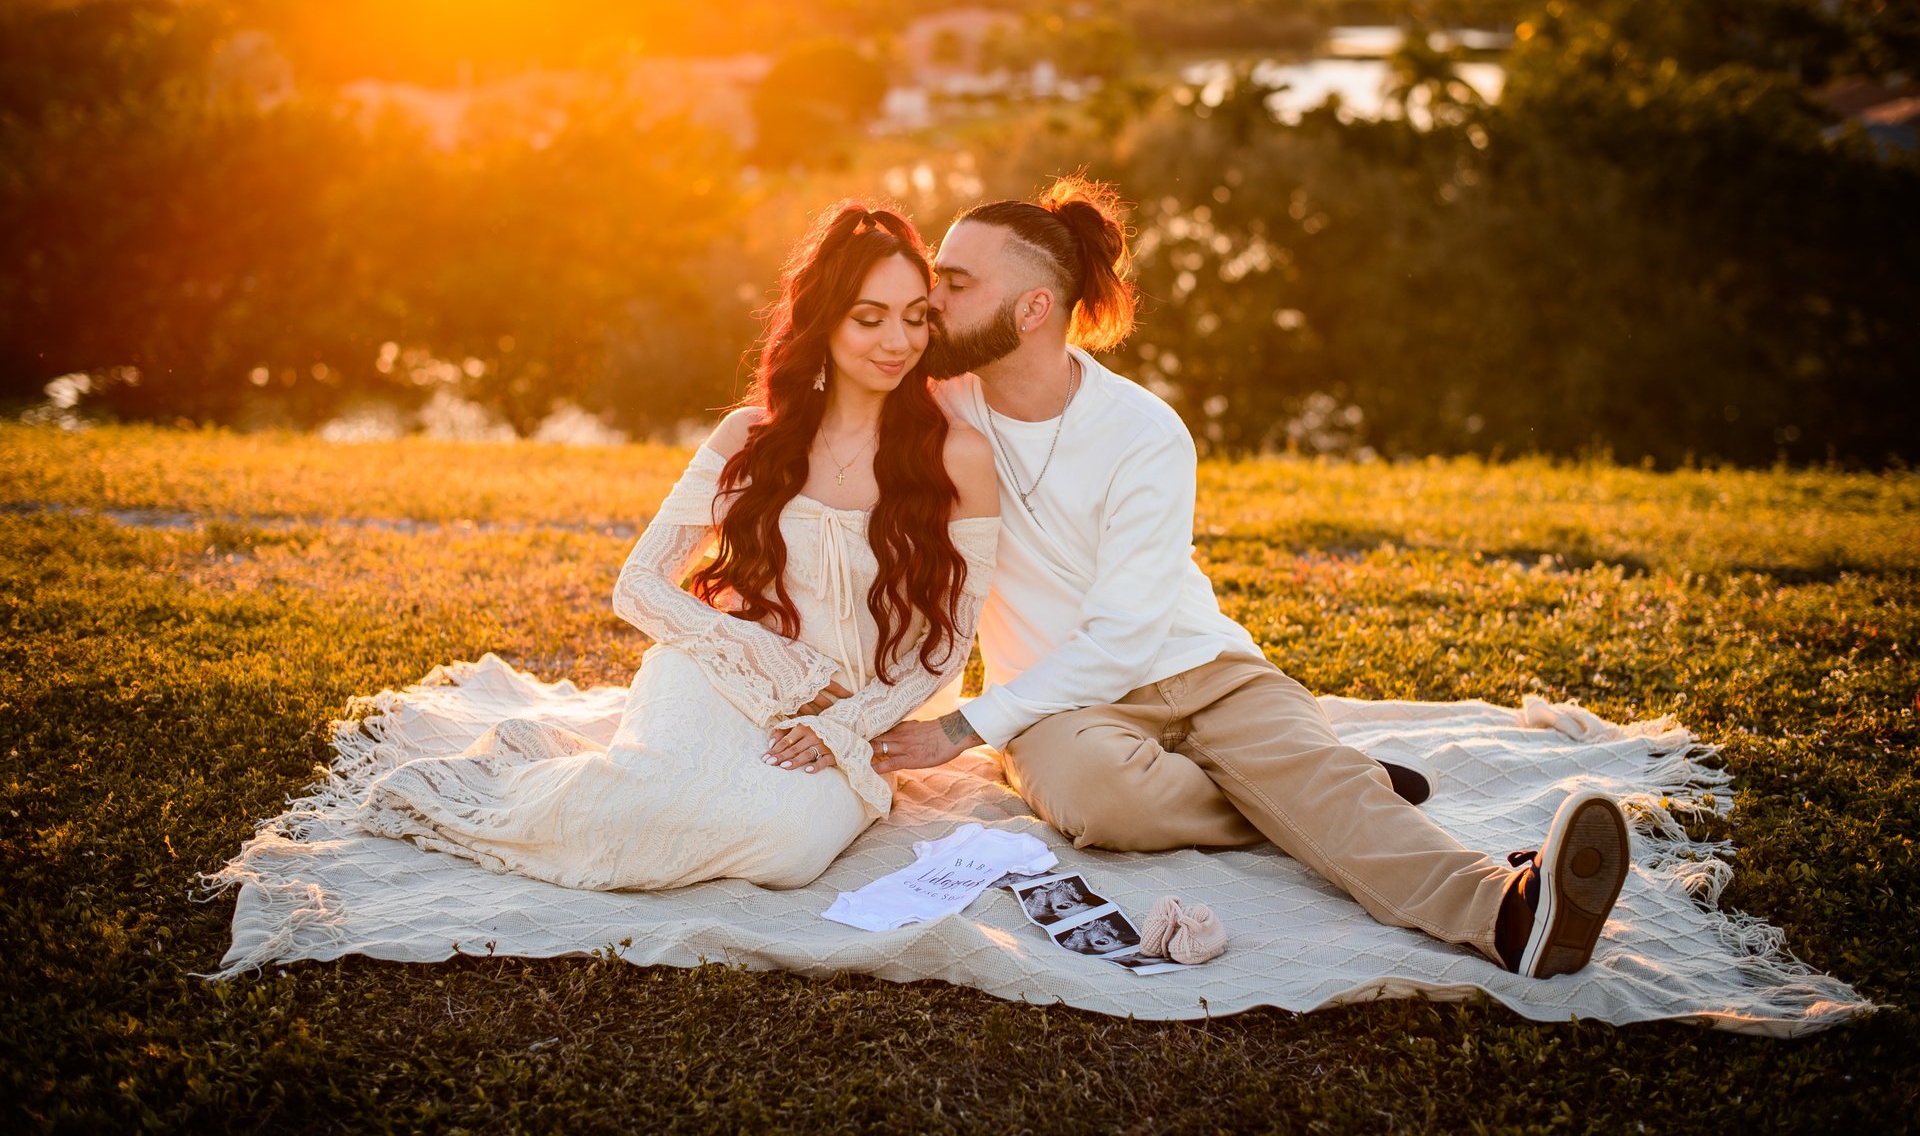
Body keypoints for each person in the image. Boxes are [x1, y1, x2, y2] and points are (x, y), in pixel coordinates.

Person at [868, 177, 1630, 978]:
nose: (931, 298)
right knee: (1100, 799)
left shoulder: (1144, 432)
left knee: (1310, 776)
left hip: (1204, 669)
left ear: (1031, 309)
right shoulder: (933, 401)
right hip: (1062, 707)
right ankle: (1324, 796)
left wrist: (957, 731)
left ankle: (1511, 913)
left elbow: (1127, 635)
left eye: (954, 283)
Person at [357, 201, 999, 891]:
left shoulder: (956, 454)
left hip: (856, 711)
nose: (897, 340)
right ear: (824, 322)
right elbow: (637, 585)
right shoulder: (750, 438)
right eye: (870, 318)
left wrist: (847, 720)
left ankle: (625, 800)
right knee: (641, 801)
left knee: (785, 847)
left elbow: (949, 646)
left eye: (914, 316)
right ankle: (498, 792)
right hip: (722, 671)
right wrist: (774, 661)